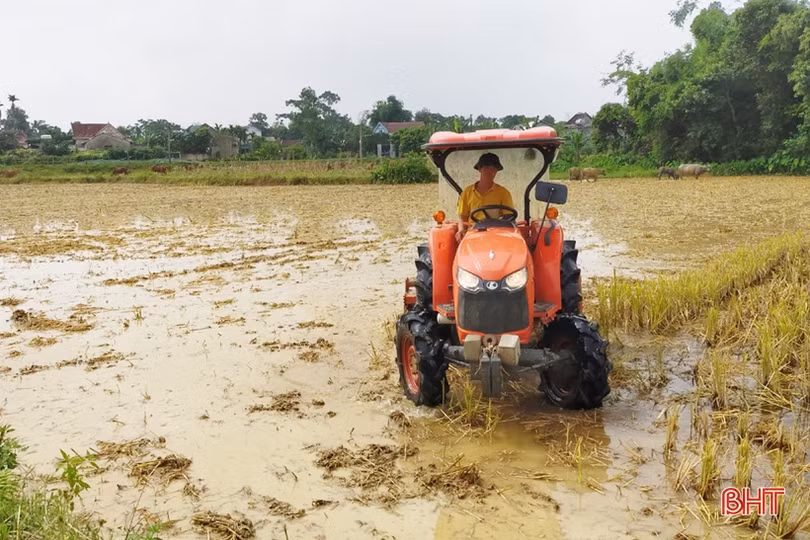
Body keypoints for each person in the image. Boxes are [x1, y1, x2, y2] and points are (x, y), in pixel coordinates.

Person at [455, 152, 515, 242]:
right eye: (487, 167)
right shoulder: (467, 192)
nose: (490, 172)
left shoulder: (503, 193)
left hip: (496, 233)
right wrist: (460, 230)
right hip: (473, 233)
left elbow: (508, 217)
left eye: (494, 169)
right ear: (479, 169)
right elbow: (462, 217)